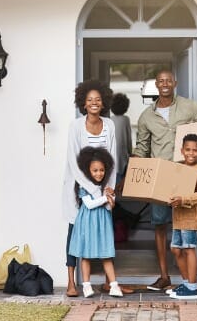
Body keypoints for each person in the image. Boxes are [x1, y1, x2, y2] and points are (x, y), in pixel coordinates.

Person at [133, 70, 197, 291]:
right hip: (160, 179)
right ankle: (165, 276)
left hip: (185, 178)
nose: (165, 84)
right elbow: (141, 149)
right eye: (161, 81)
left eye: (169, 80)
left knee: (186, 230)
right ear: (155, 85)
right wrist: (132, 177)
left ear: (175, 83)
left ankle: (190, 282)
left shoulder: (187, 106)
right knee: (160, 227)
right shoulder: (146, 117)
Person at [61, 80, 134, 297]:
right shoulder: (75, 126)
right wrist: (92, 191)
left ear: (104, 103)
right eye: (89, 100)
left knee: (103, 232)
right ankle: (71, 282)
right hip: (79, 188)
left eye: (98, 100)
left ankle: (107, 283)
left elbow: (111, 160)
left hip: (103, 189)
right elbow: (73, 163)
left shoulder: (109, 125)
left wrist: (109, 191)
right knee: (76, 232)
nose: (94, 103)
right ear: (83, 103)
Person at [68, 146, 122, 298]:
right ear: (87, 170)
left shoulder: (105, 186)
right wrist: (107, 198)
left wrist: (111, 203)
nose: (99, 173)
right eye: (95, 170)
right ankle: (86, 285)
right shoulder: (83, 186)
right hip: (88, 222)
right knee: (86, 254)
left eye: (102, 170)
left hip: (102, 222)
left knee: (106, 254)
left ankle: (114, 285)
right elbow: (90, 204)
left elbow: (109, 206)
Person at [165, 134, 197, 300]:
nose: (191, 153)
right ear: (182, 151)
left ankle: (192, 287)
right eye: (188, 149)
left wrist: (184, 199)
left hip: (191, 217)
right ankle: (187, 283)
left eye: (195, 150)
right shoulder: (180, 168)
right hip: (178, 216)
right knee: (176, 249)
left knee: (189, 249)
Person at [110, 93, 132, 184]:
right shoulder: (126, 119)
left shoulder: (110, 119)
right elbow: (128, 140)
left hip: (112, 156)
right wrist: (130, 153)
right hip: (122, 156)